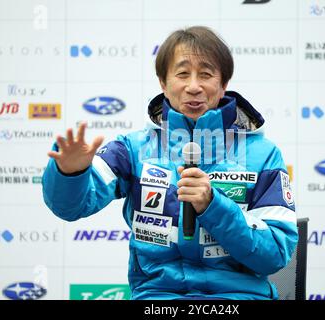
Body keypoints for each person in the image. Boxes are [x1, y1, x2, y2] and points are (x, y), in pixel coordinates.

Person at [42, 26, 298, 300]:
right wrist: (71, 173)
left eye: (206, 74)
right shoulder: (132, 148)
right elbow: (71, 208)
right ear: (163, 83)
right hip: (158, 298)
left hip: (237, 297)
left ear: (223, 84)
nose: (194, 86)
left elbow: (275, 255)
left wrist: (213, 205)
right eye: (183, 73)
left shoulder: (263, 154)